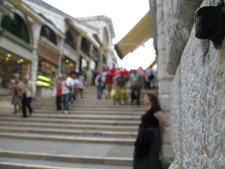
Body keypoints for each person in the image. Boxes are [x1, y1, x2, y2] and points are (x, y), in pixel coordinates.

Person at [133, 92, 164, 169]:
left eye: (146, 97)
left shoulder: (155, 107)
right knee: (142, 153)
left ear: (151, 98)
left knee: (150, 153)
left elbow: (162, 120)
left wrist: (158, 131)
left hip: (151, 134)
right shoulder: (149, 108)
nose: (144, 99)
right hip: (144, 134)